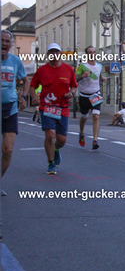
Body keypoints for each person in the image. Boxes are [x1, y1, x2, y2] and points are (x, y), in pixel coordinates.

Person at [30, 43, 77, 175]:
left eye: (57, 52)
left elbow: (74, 86)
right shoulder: (42, 70)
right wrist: (34, 97)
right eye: (51, 52)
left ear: (60, 54)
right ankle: (51, 163)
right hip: (47, 106)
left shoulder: (68, 69)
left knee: (61, 140)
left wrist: (71, 93)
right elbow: (32, 85)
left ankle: (56, 150)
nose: (54, 55)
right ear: (48, 55)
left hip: (62, 107)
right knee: (50, 135)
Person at [1, 30, 30, 193]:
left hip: (10, 109)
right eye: (1, 40)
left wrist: (23, 97)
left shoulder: (15, 61)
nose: (4, 44)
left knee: (8, 150)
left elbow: (26, 81)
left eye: (7, 41)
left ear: (11, 44)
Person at [76, 45, 107, 150]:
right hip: (84, 96)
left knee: (96, 116)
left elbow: (98, 76)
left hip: (96, 95)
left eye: (94, 52)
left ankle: (95, 140)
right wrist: (82, 76)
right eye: (90, 52)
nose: (92, 54)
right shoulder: (82, 66)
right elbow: (75, 79)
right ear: (87, 54)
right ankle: (81, 132)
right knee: (84, 117)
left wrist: (102, 78)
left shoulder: (99, 66)